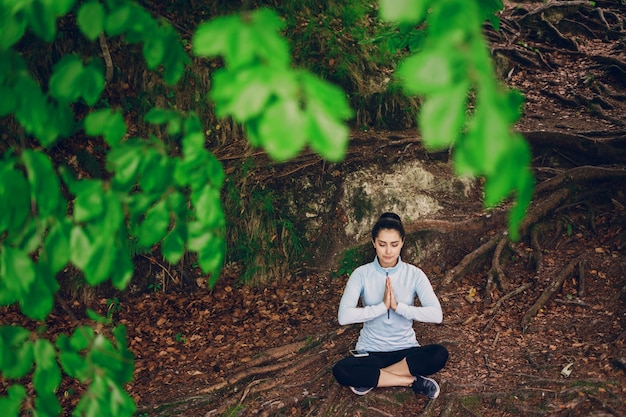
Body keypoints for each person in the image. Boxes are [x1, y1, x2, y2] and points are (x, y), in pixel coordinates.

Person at [332, 212, 448, 398]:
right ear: (373, 242)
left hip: (406, 351)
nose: (388, 251)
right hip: (371, 351)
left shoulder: (415, 274)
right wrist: (382, 307)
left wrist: (398, 307)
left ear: (402, 242)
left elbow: (436, 315)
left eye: (394, 244)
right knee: (341, 370)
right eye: (382, 244)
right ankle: (411, 381)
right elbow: (343, 317)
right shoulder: (361, 274)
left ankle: (374, 378)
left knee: (439, 354)